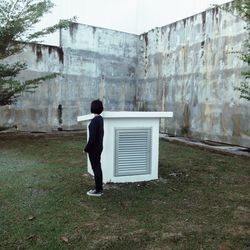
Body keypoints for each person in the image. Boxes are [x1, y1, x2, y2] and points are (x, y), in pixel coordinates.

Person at [84, 99, 104, 197]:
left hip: (94, 149)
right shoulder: (100, 119)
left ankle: (98, 190)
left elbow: (92, 139)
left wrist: (86, 148)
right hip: (99, 147)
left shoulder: (94, 121)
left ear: (92, 108)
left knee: (96, 169)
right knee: (98, 168)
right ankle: (99, 188)